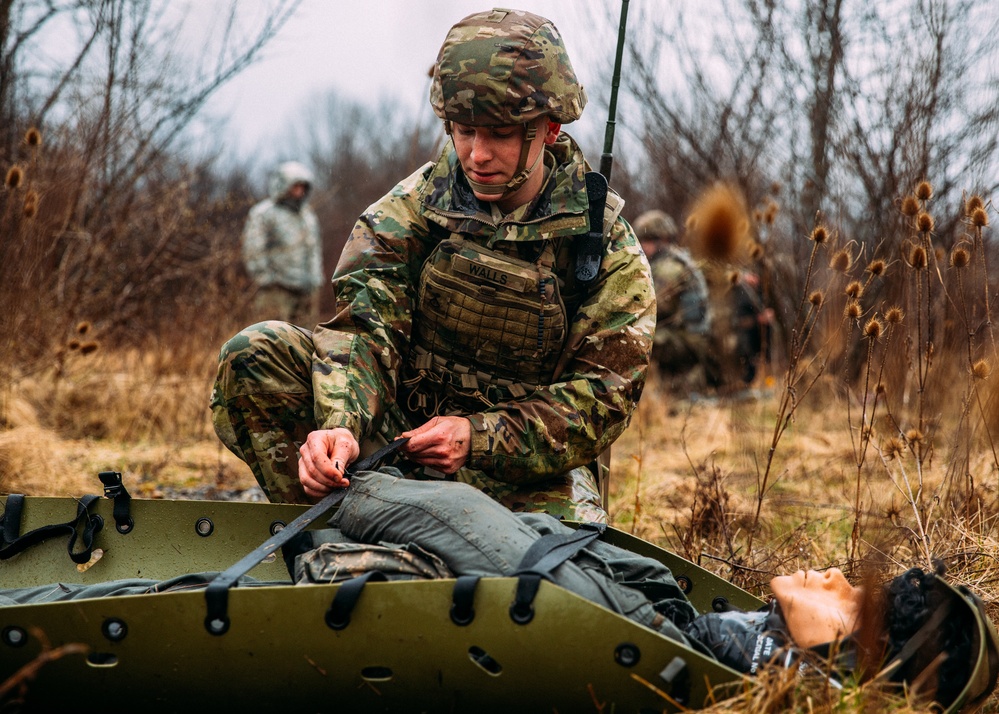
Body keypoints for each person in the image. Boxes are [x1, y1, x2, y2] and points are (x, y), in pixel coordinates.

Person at [210, 8, 656, 523]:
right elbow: (363, 331)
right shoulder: (408, 210)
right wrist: (341, 426)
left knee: (557, 571)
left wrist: (479, 437)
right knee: (256, 354)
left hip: (521, 472)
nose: (477, 154)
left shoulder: (604, 249)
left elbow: (600, 399)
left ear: (549, 128)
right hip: (396, 442)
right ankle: (325, 537)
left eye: (500, 134)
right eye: (463, 131)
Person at [632, 209, 720, 389]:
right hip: (693, 337)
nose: (641, 246)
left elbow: (653, 306)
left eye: (646, 241)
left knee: (634, 339)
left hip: (691, 341)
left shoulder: (669, 266)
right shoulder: (676, 259)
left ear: (661, 240)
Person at [241, 160, 323, 326]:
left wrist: (315, 279)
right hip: (276, 290)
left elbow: (314, 249)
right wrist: (266, 279)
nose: (299, 191)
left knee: (305, 342)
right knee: (272, 341)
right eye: (295, 186)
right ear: (283, 185)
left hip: (306, 290)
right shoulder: (264, 213)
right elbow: (253, 249)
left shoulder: (307, 215)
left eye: (303, 187)